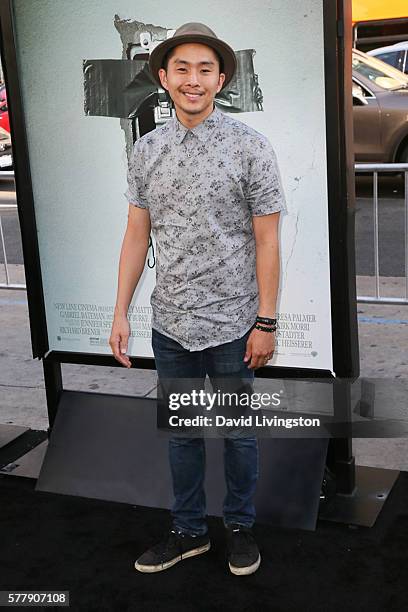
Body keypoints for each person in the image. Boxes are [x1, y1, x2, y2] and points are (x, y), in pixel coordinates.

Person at [109, 22, 287, 576]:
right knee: (182, 437)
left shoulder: (250, 147)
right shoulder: (146, 150)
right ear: (163, 78)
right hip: (171, 326)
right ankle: (188, 531)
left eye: (205, 69)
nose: (193, 79)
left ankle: (239, 528)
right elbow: (137, 234)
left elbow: (267, 240)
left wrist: (266, 321)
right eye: (182, 69)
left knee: (238, 435)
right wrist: (119, 312)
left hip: (235, 324)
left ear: (221, 78)